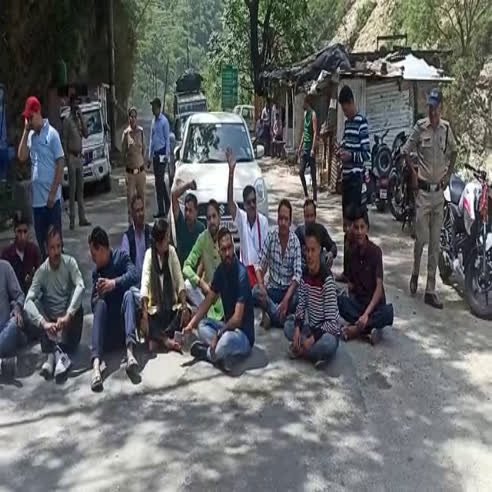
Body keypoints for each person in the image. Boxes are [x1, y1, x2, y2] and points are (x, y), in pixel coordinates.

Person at [402, 89, 457, 309]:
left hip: (438, 194)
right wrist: (414, 174)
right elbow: (406, 150)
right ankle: (415, 272)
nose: (432, 112)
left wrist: (448, 175)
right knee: (422, 238)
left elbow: (454, 151)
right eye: (430, 107)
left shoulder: (446, 129)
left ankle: (430, 290)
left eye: (436, 107)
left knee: (435, 243)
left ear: (441, 107)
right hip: (423, 194)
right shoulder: (420, 127)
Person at [184, 228, 254, 372]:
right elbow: (208, 301)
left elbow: (237, 319)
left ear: (233, 247)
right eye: (223, 249)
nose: (227, 253)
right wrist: (191, 325)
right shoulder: (220, 271)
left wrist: (218, 334)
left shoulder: (242, 274)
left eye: (229, 248)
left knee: (226, 340)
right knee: (202, 326)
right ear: (219, 251)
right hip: (226, 328)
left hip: (242, 335)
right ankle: (221, 355)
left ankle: (207, 353)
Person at [24, 227, 85, 379]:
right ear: (46, 249)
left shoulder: (70, 263)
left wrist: (68, 315)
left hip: (68, 322)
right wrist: (44, 323)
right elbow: (27, 302)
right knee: (35, 303)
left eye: (58, 246)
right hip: (50, 326)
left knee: (78, 302)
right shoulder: (41, 272)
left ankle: (54, 355)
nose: (56, 251)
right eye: (52, 247)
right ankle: (55, 355)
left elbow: (80, 286)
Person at [88, 227, 140, 391]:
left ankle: (130, 354)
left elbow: (134, 275)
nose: (93, 259)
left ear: (103, 250)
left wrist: (114, 283)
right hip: (108, 335)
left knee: (129, 295)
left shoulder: (121, 257)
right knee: (100, 304)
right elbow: (93, 307)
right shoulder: (97, 273)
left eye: (94, 254)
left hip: (124, 329)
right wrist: (98, 295)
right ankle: (96, 366)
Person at [284, 224, 340, 368]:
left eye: (313, 250)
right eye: (307, 250)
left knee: (328, 344)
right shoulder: (305, 275)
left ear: (320, 250)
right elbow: (301, 305)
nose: (309, 255)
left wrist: (313, 339)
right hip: (311, 328)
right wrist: (297, 328)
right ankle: (312, 353)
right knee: (288, 326)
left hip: (326, 332)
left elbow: (332, 323)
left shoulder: (327, 279)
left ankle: (301, 350)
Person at [337, 208, 394, 345]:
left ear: (367, 228)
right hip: (360, 304)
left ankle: (357, 330)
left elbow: (379, 288)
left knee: (388, 312)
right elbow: (351, 286)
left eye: (362, 227)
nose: (359, 232)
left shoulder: (376, 252)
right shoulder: (351, 253)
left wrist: (366, 315)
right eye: (356, 227)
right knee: (339, 302)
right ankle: (370, 328)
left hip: (374, 306)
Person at [17, 96, 65, 258]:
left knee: (55, 244)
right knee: (43, 245)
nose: (29, 121)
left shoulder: (52, 135)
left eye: (31, 117)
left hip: (51, 202)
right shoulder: (31, 136)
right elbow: (21, 156)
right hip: (37, 203)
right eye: (27, 118)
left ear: (38, 112)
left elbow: (60, 164)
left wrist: (53, 193)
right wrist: (25, 131)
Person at [140, 219, 191, 353]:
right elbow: (144, 284)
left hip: (171, 310)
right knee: (139, 313)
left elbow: (179, 280)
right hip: (155, 311)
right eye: (166, 237)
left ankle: (157, 338)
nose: (169, 240)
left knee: (187, 312)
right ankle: (166, 340)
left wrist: (184, 306)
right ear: (158, 242)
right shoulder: (149, 255)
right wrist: (144, 315)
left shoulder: (171, 252)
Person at [336, 85, 371, 282]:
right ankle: (347, 271)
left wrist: (351, 156)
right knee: (346, 227)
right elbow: (346, 145)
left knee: (357, 227)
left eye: (345, 108)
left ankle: (359, 272)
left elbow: (366, 153)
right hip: (346, 180)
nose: (345, 112)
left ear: (351, 103)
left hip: (356, 182)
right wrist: (340, 151)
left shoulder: (361, 123)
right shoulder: (348, 123)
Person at [253, 199, 302, 329]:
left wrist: (286, 300)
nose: (283, 223)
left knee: (301, 296)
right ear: (277, 219)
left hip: (288, 293)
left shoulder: (295, 242)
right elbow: (258, 265)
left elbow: (297, 275)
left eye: (286, 219)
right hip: (272, 290)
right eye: (280, 219)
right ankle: (283, 319)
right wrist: (262, 286)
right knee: (255, 291)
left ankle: (272, 315)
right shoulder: (271, 236)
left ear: (290, 222)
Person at [226, 148, 269, 286]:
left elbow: (266, 255)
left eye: (254, 201)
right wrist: (231, 172)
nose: (252, 205)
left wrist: (260, 280)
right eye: (249, 202)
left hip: (260, 276)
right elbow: (230, 202)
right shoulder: (242, 219)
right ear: (244, 205)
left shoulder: (263, 221)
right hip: (245, 275)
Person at [183, 200, 224, 321]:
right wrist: (200, 283)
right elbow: (186, 266)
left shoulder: (225, 237)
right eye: (209, 218)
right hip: (208, 294)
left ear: (219, 218)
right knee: (187, 284)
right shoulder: (203, 238)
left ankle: (203, 314)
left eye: (214, 217)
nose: (212, 221)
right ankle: (205, 312)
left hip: (223, 295)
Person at [62, 94, 91, 230]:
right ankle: (72, 219)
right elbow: (64, 140)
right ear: (71, 105)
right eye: (74, 103)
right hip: (71, 157)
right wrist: (67, 158)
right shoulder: (67, 121)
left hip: (80, 157)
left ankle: (82, 218)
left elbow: (86, 134)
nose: (76, 106)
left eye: (78, 104)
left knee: (81, 189)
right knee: (72, 189)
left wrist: (82, 118)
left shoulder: (79, 120)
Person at [1, 212, 41, 295]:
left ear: (28, 232)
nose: (22, 236)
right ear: (15, 232)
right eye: (19, 232)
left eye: (25, 232)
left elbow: (40, 276)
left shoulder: (34, 250)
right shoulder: (6, 254)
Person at [0, 260, 26, 378]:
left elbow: (19, 295)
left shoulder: (5, 267)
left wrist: (17, 308)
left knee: (14, 324)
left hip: (5, 329)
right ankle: (3, 363)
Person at [295, 199, 337, 271]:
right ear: (304, 216)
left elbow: (333, 246)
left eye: (311, 216)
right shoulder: (299, 232)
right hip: (303, 268)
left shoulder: (321, 230)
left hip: (318, 269)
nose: (309, 219)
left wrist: (330, 254)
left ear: (315, 216)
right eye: (307, 216)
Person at [171, 179, 205, 266]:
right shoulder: (180, 223)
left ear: (196, 212)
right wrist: (188, 185)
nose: (187, 214)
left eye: (190, 210)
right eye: (186, 210)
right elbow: (174, 195)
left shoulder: (201, 228)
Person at [121, 107, 146, 222]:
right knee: (130, 199)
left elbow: (144, 149)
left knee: (142, 198)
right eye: (131, 116)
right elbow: (123, 154)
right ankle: (131, 222)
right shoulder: (126, 134)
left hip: (140, 172)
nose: (133, 119)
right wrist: (126, 171)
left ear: (137, 118)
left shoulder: (141, 132)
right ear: (128, 118)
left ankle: (142, 222)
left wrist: (142, 162)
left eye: (135, 116)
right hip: (130, 173)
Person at [148, 98, 171, 218]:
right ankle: (167, 204)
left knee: (159, 181)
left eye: (154, 107)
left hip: (162, 154)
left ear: (159, 108)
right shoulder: (153, 122)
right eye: (152, 107)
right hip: (156, 155)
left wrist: (167, 155)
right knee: (159, 182)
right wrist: (149, 156)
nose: (152, 109)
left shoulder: (164, 122)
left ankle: (161, 210)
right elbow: (151, 140)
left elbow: (167, 139)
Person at [120, 194, 151, 282]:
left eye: (142, 209)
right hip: (134, 283)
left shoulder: (151, 233)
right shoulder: (127, 238)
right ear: (132, 214)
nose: (141, 214)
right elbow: (124, 264)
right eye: (137, 211)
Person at [298, 95, 319, 202]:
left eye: (304, 103)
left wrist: (312, 149)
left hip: (310, 148)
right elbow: (304, 132)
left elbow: (315, 132)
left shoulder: (313, 114)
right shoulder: (305, 114)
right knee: (301, 171)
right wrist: (300, 146)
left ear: (307, 103)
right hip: (304, 148)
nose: (302, 105)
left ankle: (315, 197)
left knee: (313, 174)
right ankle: (306, 193)